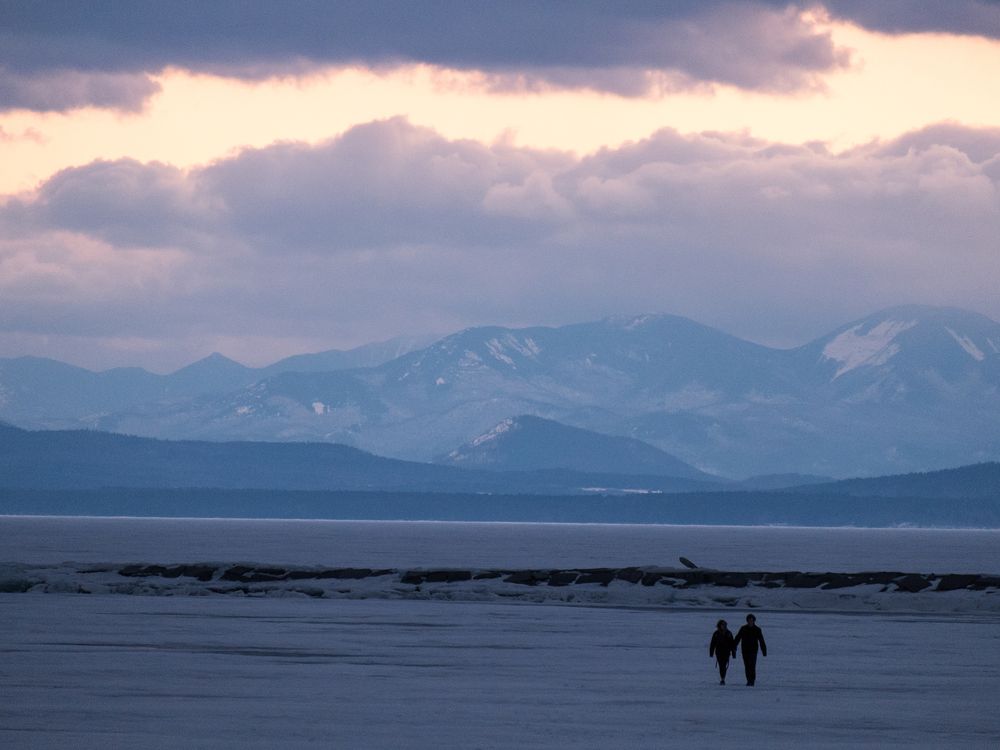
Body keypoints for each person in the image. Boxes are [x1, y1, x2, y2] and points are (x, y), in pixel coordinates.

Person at [733, 613, 767, 686]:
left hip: (753, 650)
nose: (750, 621)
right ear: (747, 621)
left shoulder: (757, 629)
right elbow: (737, 638)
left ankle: (752, 680)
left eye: (752, 620)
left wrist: (764, 651)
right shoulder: (743, 628)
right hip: (745, 650)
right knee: (747, 666)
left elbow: (761, 640)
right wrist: (734, 646)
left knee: (752, 665)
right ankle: (748, 680)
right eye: (749, 620)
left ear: (754, 621)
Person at [708, 619, 736, 685]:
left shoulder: (729, 633)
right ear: (720, 625)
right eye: (723, 625)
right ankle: (722, 679)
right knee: (721, 665)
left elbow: (732, 644)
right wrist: (711, 653)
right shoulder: (716, 633)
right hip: (719, 652)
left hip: (726, 652)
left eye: (725, 625)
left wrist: (734, 653)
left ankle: (723, 678)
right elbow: (713, 643)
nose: (724, 626)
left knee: (723, 665)